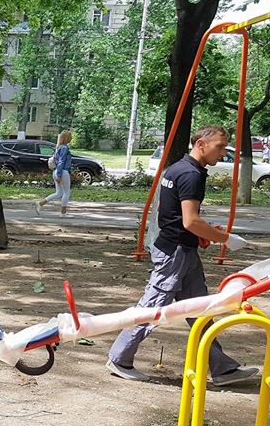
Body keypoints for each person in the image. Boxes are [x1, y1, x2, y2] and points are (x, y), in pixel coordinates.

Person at [106, 124, 258, 384]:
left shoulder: (178, 168)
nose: (223, 153)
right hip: (174, 254)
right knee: (151, 308)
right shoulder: (191, 175)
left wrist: (202, 233)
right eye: (220, 147)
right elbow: (190, 221)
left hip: (180, 250)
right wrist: (226, 239)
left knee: (201, 310)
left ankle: (222, 368)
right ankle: (119, 358)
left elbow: (176, 217)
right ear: (201, 144)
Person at [35, 130, 73, 217]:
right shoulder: (64, 148)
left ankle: (40, 203)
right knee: (66, 193)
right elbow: (61, 161)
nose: (71, 138)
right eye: (70, 137)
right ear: (66, 138)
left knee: (59, 192)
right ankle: (63, 213)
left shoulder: (58, 147)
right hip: (63, 171)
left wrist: (58, 173)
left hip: (55, 171)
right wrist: (60, 175)